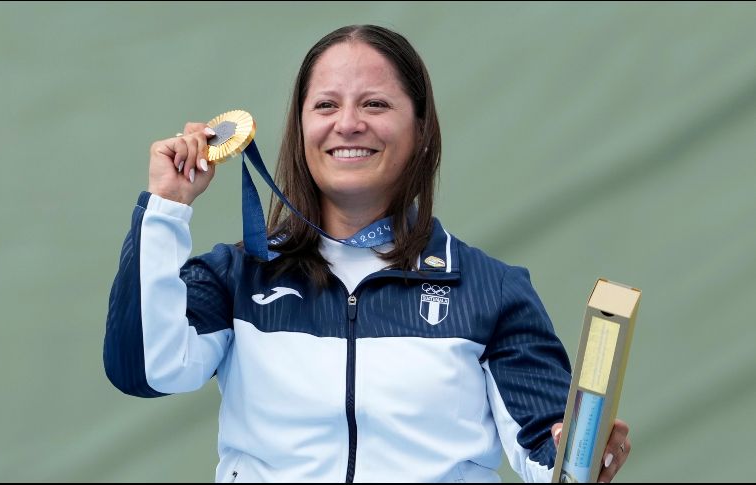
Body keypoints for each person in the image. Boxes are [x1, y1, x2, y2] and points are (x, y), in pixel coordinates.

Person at [104, 24, 631, 483]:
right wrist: (166, 208)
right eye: (326, 105)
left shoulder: (491, 291)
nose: (348, 123)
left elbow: (548, 454)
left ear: (421, 130)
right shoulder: (237, 276)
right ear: (301, 129)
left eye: (375, 104)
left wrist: (583, 453)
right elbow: (144, 370)